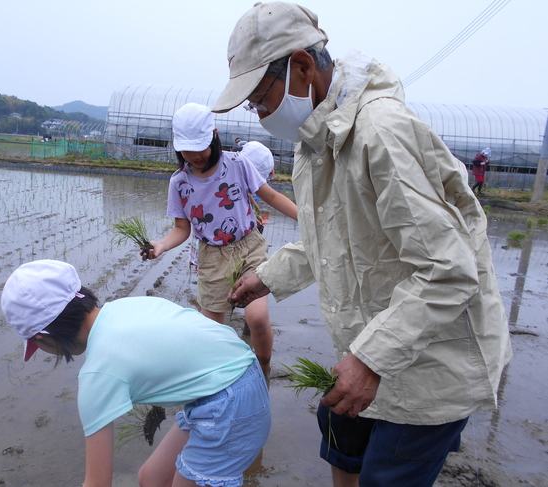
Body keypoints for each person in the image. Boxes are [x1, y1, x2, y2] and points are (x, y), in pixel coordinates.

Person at [213, 3, 512, 486]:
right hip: (371, 350)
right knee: (338, 436)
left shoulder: (381, 134)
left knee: (385, 477)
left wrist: (370, 359)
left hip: (425, 366)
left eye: (260, 97)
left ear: (302, 67)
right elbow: (325, 240)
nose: (259, 112)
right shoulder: (316, 144)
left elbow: (449, 269)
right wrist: (264, 278)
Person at [0, 259, 271, 487]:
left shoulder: (98, 374)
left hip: (230, 405)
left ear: (43, 338)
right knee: (151, 479)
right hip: (238, 377)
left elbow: (97, 483)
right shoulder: (121, 308)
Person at [144, 103, 298, 377]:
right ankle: (222, 378)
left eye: (200, 147)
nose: (194, 155)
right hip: (212, 257)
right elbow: (182, 229)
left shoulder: (238, 163)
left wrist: (307, 218)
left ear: (214, 135)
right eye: (186, 150)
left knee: (258, 318)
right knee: (212, 331)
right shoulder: (179, 182)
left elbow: (271, 196)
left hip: (249, 247)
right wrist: (161, 245)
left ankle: (263, 369)